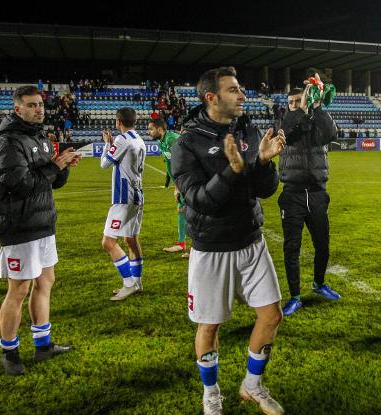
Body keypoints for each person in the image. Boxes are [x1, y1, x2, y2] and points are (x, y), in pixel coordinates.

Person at [171, 66, 286, 415]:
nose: (242, 95)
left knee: (271, 315)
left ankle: (252, 384)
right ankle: (211, 393)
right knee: (210, 325)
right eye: (233, 90)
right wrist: (232, 170)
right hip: (212, 248)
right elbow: (200, 200)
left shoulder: (247, 129)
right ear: (211, 97)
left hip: (251, 240)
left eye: (241, 89)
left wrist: (264, 163)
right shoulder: (186, 144)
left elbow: (264, 191)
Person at [0, 85, 81, 375]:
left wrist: (63, 166)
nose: (39, 109)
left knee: (46, 282)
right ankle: (9, 351)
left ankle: (43, 345)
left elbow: (51, 182)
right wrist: (54, 166)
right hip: (19, 226)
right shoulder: (8, 142)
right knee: (19, 289)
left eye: (40, 104)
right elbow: (20, 185)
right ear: (17, 109)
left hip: (42, 223)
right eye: (31, 105)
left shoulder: (40, 137)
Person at [276, 78, 342, 317]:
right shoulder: (283, 121)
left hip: (316, 193)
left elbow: (332, 133)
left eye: (298, 100)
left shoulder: (317, 121)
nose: (295, 104)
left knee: (322, 244)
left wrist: (316, 106)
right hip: (292, 194)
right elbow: (287, 134)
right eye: (291, 102)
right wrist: (301, 110)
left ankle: (319, 283)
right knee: (291, 248)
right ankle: (294, 296)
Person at [100, 108, 146, 301]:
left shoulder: (122, 139)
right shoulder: (139, 139)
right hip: (137, 196)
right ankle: (138, 281)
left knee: (109, 242)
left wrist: (106, 145)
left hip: (123, 198)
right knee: (131, 240)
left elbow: (104, 163)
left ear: (119, 121)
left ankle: (129, 284)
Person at [147, 118, 189, 258]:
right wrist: (174, 185)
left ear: (160, 129)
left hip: (189, 179)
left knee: (195, 212)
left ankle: (199, 248)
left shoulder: (172, 140)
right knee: (182, 210)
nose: (149, 132)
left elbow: (184, 162)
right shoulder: (161, 141)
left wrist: (180, 186)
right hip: (180, 182)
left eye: (151, 129)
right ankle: (181, 243)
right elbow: (169, 165)